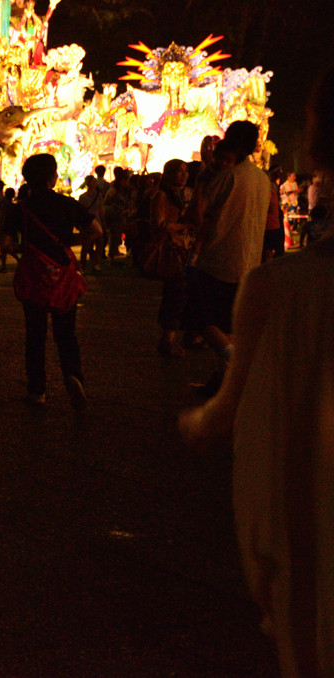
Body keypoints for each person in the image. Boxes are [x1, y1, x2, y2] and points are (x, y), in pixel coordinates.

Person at [179, 64, 334, 678]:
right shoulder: (266, 188)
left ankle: (223, 350)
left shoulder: (288, 292)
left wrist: (199, 420)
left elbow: (228, 423)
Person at [1, 153, 101, 409]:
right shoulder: (67, 204)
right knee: (66, 333)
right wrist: (71, 246)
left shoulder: (19, 208)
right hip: (63, 275)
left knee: (35, 335)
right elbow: (96, 230)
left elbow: (6, 242)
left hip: (34, 275)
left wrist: (23, 254)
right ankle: (73, 376)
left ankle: (37, 390)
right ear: (52, 177)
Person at [188, 121, 271, 397]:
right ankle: (224, 381)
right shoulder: (262, 179)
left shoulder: (226, 177)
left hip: (218, 259)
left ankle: (230, 358)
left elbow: (199, 216)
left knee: (201, 319)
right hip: (248, 259)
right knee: (229, 323)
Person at [150, 159, 193, 357]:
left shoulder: (187, 195)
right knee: (176, 292)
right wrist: (184, 225)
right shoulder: (162, 196)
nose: (184, 175)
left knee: (183, 293)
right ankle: (168, 338)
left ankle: (177, 336)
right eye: (179, 171)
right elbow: (159, 224)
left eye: (186, 171)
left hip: (187, 249)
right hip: (172, 251)